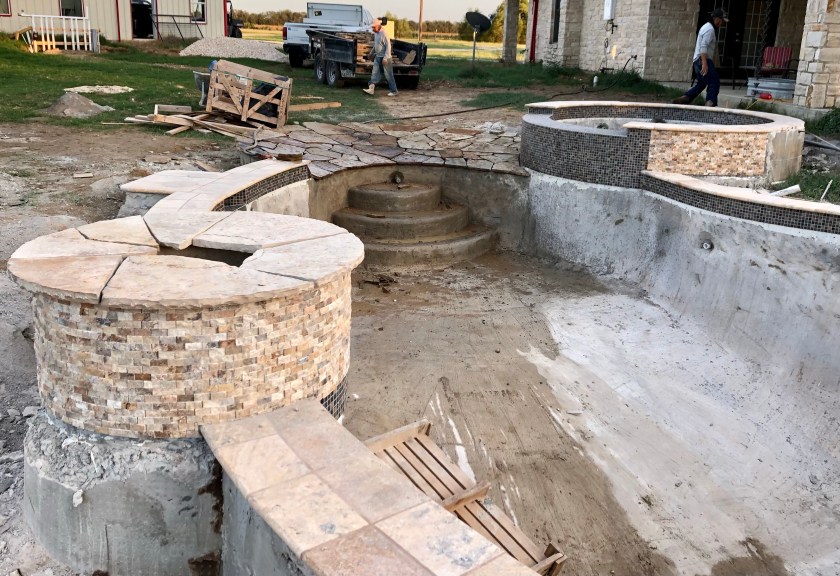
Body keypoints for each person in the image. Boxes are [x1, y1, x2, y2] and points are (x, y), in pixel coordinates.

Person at [673, 8, 728, 107]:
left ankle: (686, 97)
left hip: (697, 60)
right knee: (714, 82)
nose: (722, 23)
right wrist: (705, 64)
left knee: (702, 83)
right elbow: (703, 46)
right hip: (703, 60)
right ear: (716, 18)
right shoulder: (710, 29)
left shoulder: (705, 27)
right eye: (722, 20)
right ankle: (710, 104)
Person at [363, 19, 398, 97]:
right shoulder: (376, 33)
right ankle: (371, 89)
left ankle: (394, 91)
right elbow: (376, 44)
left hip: (385, 58)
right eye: (372, 27)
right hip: (378, 57)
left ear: (378, 26)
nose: (373, 29)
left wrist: (385, 58)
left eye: (374, 27)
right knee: (374, 73)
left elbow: (388, 46)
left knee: (388, 75)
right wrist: (371, 52)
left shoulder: (384, 34)